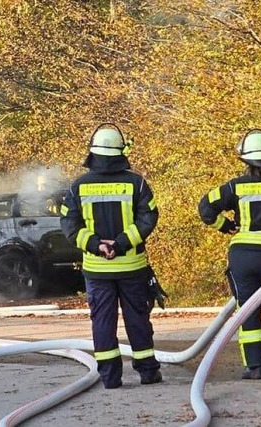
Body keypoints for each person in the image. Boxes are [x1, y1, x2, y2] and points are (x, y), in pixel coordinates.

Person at [60, 123, 162, 388]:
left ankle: (110, 378)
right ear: (121, 152)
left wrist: (97, 246)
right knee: (138, 319)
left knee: (103, 322)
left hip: (97, 269)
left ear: (92, 153)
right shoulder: (136, 183)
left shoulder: (78, 186)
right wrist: (122, 243)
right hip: (132, 266)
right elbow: (149, 217)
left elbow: (69, 226)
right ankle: (148, 372)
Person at [198, 129, 261, 380]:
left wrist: (224, 226)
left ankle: (254, 367)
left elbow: (205, 208)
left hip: (243, 256)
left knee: (248, 310)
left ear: (245, 160)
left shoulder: (234, 186)